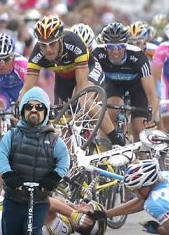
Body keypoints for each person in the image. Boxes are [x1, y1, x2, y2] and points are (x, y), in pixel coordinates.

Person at [0, 87, 70, 235]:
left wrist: (53, 178)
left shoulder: (54, 140)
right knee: (11, 232)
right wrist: (9, 175)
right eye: (29, 107)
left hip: (39, 198)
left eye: (39, 107)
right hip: (14, 196)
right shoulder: (11, 136)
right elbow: (2, 156)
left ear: (46, 112)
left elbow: (64, 160)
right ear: (22, 111)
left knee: (33, 229)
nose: (34, 110)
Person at [19, 16, 125, 147]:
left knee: (85, 102)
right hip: (63, 78)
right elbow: (27, 88)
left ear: (61, 39)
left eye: (52, 44)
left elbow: (82, 85)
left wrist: (79, 110)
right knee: (61, 122)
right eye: (43, 45)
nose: (48, 50)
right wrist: (19, 108)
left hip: (88, 71)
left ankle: (116, 140)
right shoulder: (37, 53)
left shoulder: (74, 43)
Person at [100, 130, 169, 235]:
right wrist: (105, 214)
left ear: (145, 187)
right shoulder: (165, 177)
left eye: (134, 189)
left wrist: (160, 229)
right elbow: (139, 203)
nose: (134, 193)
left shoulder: (151, 204)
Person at [91, 22, 159, 142]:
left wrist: (150, 118)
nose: (115, 52)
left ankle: (141, 158)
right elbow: (91, 84)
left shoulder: (138, 56)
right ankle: (105, 153)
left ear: (126, 45)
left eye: (120, 47)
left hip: (136, 86)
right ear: (105, 46)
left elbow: (152, 94)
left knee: (140, 128)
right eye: (111, 47)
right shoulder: (97, 53)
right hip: (113, 85)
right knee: (110, 113)